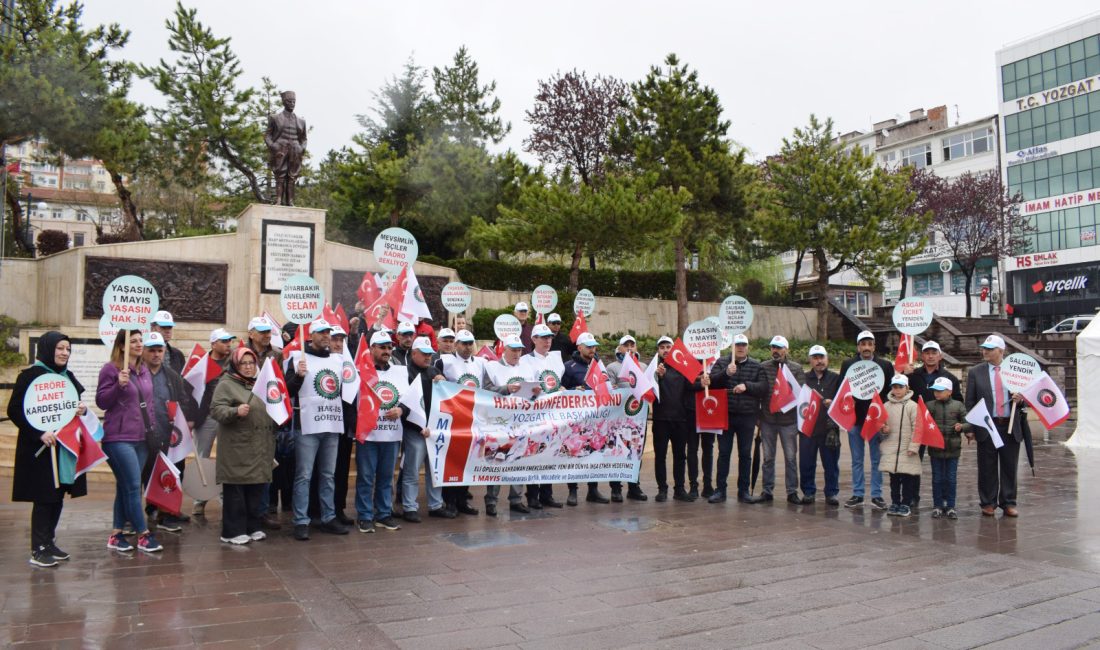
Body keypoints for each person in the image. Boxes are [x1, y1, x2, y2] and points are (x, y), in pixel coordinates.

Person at [9, 332, 89, 567]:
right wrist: (39, 433)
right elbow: (15, 410)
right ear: (47, 349)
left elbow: (72, 407)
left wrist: (80, 409)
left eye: (68, 349)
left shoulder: (67, 377)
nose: (65, 353)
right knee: (44, 497)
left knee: (57, 495)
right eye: (60, 348)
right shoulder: (30, 376)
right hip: (41, 449)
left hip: (63, 448)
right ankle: (38, 548)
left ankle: (49, 542)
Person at [97, 329, 163, 554]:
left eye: (139, 340)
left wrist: (152, 429)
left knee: (124, 487)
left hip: (142, 438)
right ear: (122, 346)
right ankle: (143, 535)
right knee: (134, 486)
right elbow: (102, 401)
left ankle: (116, 535)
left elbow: (149, 404)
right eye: (133, 341)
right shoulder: (111, 369)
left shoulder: (143, 370)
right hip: (119, 438)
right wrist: (119, 384)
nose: (138, 344)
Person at [285, 318, 349, 540]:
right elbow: (288, 389)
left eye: (328, 333)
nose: (326, 336)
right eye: (321, 333)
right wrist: (298, 376)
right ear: (310, 336)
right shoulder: (297, 358)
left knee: (328, 475)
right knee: (303, 475)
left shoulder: (339, 360)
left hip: (331, 425)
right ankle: (301, 520)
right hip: (308, 427)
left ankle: (328, 517)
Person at [210, 347, 275, 544]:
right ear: (235, 365)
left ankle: (252, 526)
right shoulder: (226, 384)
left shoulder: (260, 384)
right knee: (236, 491)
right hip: (236, 448)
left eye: (251, 363)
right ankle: (232, 531)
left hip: (259, 447)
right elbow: (216, 410)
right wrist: (235, 411)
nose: (247, 367)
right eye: (243, 363)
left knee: (255, 489)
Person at [138, 332, 197, 533]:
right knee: (140, 475)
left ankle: (166, 515)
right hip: (139, 435)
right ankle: (134, 517)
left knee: (167, 474)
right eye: (151, 350)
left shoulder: (172, 376)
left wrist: (183, 418)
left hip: (166, 434)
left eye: (159, 350)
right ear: (143, 351)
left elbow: (183, 400)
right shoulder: (135, 373)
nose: (156, 354)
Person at [965, 334, 1025, 518]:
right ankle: (988, 502)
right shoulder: (976, 372)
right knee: (987, 466)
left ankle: (1008, 502)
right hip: (987, 425)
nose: (985, 352)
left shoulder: (1015, 370)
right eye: (984, 348)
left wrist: (1021, 399)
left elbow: (1028, 396)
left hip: (1009, 424)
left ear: (1001, 351)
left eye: (990, 349)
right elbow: (970, 401)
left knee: (1009, 466)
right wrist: (972, 428)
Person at [704, 333, 767, 504]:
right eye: (738, 344)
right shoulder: (723, 362)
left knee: (745, 454)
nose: (740, 348)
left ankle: (743, 491)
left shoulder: (756, 365)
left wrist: (747, 386)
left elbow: (763, 387)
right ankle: (720, 490)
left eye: (743, 345)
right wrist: (726, 373)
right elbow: (712, 382)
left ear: (748, 347)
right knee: (723, 453)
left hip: (747, 416)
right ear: (732, 346)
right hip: (726, 415)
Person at [354, 332, 406, 534]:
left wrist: (401, 409)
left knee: (386, 477)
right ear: (372, 349)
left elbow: (410, 399)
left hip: (391, 435)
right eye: (382, 347)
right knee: (366, 477)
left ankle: (384, 514)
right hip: (368, 434)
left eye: (389, 348)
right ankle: (365, 516)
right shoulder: (360, 371)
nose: (387, 351)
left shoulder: (400, 372)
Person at [401, 336, 454, 521]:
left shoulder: (434, 371)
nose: (427, 357)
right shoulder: (405, 373)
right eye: (423, 354)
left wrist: (443, 381)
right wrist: (418, 426)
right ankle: (409, 507)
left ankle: (436, 505)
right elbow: (405, 402)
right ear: (414, 353)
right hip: (414, 429)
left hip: (434, 430)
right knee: (412, 470)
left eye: (429, 354)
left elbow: (446, 398)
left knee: (435, 469)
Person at [483, 335, 538, 514]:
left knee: (519, 460)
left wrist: (537, 392)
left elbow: (535, 394)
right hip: (500, 422)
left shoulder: (527, 368)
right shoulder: (492, 367)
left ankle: (516, 499)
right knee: (497, 460)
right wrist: (505, 389)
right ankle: (491, 501)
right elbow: (485, 391)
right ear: (504, 349)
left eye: (519, 350)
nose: (516, 353)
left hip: (522, 422)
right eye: (513, 349)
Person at [840, 330, 894, 511]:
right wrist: (848, 399)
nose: (866, 347)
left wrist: (884, 416)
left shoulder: (885, 365)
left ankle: (877, 495)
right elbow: (842, 390)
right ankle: (858, 494)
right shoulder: (848, 365)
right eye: (863, 344)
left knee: (877, 459)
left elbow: (890, 392)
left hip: (875, 421)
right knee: (856, 459)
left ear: (874, 346)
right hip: (855, 420)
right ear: (858, 347)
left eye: (869, 344)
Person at [561, 332, 612, 506]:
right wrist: (574, 389)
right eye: (589, 346)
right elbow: (563, 390)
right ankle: (573, 491)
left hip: (595, 419)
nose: (592, 349)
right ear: (579, 347)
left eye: (594, 346)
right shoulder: (569, 366)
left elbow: (607, 386)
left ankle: (593, 490)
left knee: (594, 453)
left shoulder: (599, 365)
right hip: (575, 421)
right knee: (575, 454)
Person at [190, 328, 235, 518]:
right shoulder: (200, 363)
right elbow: (191, 391)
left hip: (228, 415)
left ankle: (226, 498)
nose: (228, 345)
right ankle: (199, 500)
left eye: (229, 341)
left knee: (227, 458)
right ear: (213, 344)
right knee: (203, 457)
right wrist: (191, 417)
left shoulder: (235, 361)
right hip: (206, 417)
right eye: (224, 341)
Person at [521, 324, 566, 509]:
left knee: (551, 452)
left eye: (549, 337)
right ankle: (532, 495)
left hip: (553, 414)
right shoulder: (525, 361)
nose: (547, 340)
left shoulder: (556, 359)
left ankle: (547, 494)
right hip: (534, 415)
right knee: (534, 453)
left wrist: (561, 389)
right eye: (543, 337)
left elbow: (557, 383)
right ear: (534, 339)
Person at [757, 335, 806, 504]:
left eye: (779, 347)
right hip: (768, 420)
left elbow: (800, 394)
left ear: (786, 349)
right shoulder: (763, 367)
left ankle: (792, 491)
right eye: (773, 347)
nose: (775, 351)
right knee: (768, 458)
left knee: (791, 458)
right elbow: (761, 392)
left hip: (789, 421)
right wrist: (759, 417)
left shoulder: (796, 368)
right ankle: (767, 490)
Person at [245, 316, 282, 530]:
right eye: (261, 331)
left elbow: (282, 385)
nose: (267, 334)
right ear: (251, 334)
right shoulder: (241, 354)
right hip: (247, 415)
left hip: (268, 416)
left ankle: (264, 510)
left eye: (268, 331)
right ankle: (247, 511)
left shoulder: (277, 355)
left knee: (267, 465)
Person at [603, 335, 647, 502]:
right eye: (625, 345)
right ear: (619, 348)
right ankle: (616, 488)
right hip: (619, 419)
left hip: (639, 419)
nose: (629, 347)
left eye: (632, 344)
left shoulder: (643, 366)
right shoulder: (612, 367)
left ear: (636, 348)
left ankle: (634, 486)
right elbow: (609, 389)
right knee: (617, 451)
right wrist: (612, 388)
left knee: (636, 452)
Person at [798, 345, 842, 505]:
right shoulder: (803, 378)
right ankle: (808, 492)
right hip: (808, 428)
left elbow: (844, 400)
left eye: (822, 357)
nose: (819, 361)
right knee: (806, 463)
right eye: (815, 358)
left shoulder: (836, 378)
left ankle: (831, 493)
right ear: (810, 360)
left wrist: (834, 403)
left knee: (831, 464)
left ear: (827, 359)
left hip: (829, 429)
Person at [651, 336, 693, 502]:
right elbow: (647, 388)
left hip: (680, 419)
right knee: (660, 456)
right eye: (662, 347)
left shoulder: (683, 367)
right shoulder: (653, 369)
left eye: (668, 346)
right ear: (658, 351)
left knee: (680, 455)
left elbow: (691, 386)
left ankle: (680, 489)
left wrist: (704, 381)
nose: (666, 350)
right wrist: (658, 377)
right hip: (661, 419)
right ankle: (662, 489)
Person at [926, 376, 968, 520]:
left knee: (951, 478)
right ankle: (937, 505)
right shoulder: (929, 405)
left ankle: (950, 506)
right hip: (935, 448)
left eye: (940, 390)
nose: (937, 393)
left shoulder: (958, 405)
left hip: (953, 448)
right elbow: (922, 423)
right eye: (935, 390)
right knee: (937, 478)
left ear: (949, 391)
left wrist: (961, 426)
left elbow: (968, 422)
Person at [880, 375, 919, 517]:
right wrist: (883, 429)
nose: (897, 390)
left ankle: (906, 503)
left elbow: (917, 428)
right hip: (891, 448)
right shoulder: (885, 406)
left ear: (907, 388)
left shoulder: (913, 406)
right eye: (895, 387)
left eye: (900, 387)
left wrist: (913, 447)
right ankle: (895, 502)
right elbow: (880, 423)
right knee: (894, 479)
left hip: (907, 448)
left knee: (907, 478)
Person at [329, 326, 357, 526]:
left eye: (341, 340)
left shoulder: (348, 364)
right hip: (325, 425)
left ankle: (338, 509)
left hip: (345, 427)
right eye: (334, 339)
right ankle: (321, 510)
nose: (338, 344)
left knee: (341, 470)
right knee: (324, 471)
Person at [264, 89, 307, 206]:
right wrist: (273, 146)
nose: (292, 104)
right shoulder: (275, 118)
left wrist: (302, 148)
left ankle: (290, 201)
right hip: (280, 148)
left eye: (294, 101)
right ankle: (278, 200)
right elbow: (267, 135)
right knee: (280, 175)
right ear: (284, 102)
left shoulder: (301, 121)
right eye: (289, 101)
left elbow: (303, 139)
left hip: (295, 150)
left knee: (292, 176)